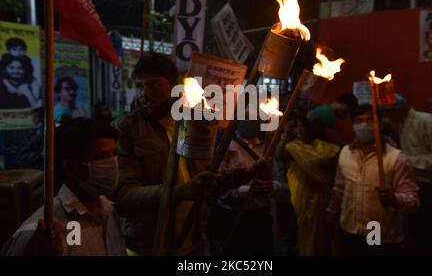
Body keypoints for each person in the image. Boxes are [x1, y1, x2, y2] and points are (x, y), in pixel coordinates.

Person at [112, 53, 217, 255]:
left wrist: (240, 176)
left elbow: (206, 176)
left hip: (192, 240)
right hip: (149, 246)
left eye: (152, 85)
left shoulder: (191, 123)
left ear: (172, 87)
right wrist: (180, 192)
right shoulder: (125, 128)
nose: (144, 93)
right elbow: (123, 197)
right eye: (139, 86)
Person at [2, 118, 126, 256]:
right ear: (70, 167)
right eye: (101, 157)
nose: (112, 164)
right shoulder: (41, 236)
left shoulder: (108, 210)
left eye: (114, 154)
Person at [326, 104, 419, 255]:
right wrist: (332, 213)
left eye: (370, 120)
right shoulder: (345, 153)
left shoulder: (396, 158)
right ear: (353, 125)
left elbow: (412, 200)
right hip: (349, 229)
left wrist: (394, 199)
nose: (364, 125)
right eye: (359, 120)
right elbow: (339, 189)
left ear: (380, 124)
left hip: (378, 232)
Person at [382, 94, 432, 255]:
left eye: (389, 111)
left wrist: (408, 162)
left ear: (399, 109)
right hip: (416, 185)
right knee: (420, 231)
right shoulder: (402, 124)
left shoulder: (426, 121)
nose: (387, 116)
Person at [276, 114, 340, 255]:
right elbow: (279, 155)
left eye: (302, 126)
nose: (299, 129)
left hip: (321, 192)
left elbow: (335, 153)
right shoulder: (291, 147)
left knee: (322, 229)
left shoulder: (319, 145)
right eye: (295, 127)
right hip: (302, 193)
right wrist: (284, 135)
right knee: (305, 226)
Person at [207, 120, 273, 256]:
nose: (247, 121)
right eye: (244, 117)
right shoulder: (226, 146)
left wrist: (272, 186)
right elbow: (218, 185)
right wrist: (247, 190)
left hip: (260, 215)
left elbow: (277, 180)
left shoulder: (266, 148)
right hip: (232, 215)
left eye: (251, 118)